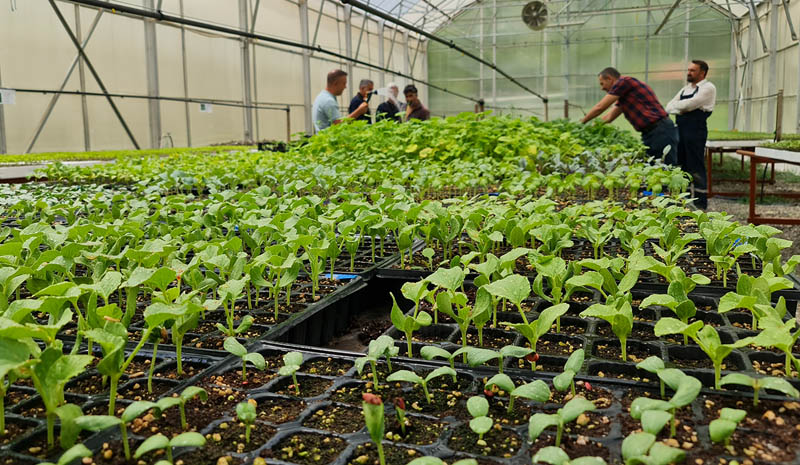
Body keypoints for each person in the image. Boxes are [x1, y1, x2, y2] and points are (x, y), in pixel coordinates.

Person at [581, 67, 678, 165]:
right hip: (651, 133)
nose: (602, 88)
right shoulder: (625, 95)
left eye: (602, 83)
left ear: (610, 79)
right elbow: (609, 117)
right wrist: (591, 127)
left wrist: (583, 121)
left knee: (666, 166)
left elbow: (600, 107)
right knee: (654, 166)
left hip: (660, 130)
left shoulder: (624, 82)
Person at [666, 60, 716, 210]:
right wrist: (681, 109)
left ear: (703, 73)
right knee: (681, 164)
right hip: (681, 129)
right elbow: (669, 107)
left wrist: (681, 108)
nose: (689, 73)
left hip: (696, 130)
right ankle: (684, 200)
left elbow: (690, 104)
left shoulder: (708, 88)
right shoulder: (685, 89)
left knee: (695, 164)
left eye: (693, 70)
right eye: (688, 70)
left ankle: (700, 202)